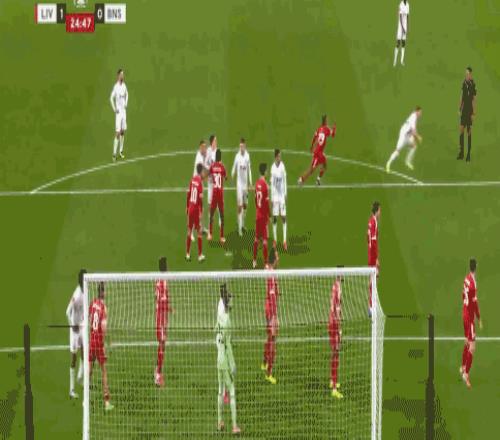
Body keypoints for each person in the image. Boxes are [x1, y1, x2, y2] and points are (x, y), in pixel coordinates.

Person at [216, 283, 241, 434]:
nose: (232, 301)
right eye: (231, 299)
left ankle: (219, 422)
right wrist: (232, 364)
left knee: (220, 390)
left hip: (218, 358)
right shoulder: (227, 322)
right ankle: (234, 426)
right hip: (224, 358)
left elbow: (216, 329)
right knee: (231, 390)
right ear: (228, 303)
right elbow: (228, 346)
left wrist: (223, 291)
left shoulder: (220, 312)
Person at [89, 282, 114, 410]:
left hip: (91, 340)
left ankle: (86, 398)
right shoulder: (104, 307)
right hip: (99, 343)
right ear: (103, 292)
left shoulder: (93, 303)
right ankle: (107, 402)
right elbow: (103, 328)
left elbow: (90, 319)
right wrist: (105, 343)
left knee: (90, 369)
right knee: (104, 371)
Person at [460, 258, 482, 388]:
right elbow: (474, 304)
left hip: (464, 313)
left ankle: (463, 366)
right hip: (469, 318)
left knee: (467, 341)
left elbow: (463, 295)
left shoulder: (466, 279)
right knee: (472, 347)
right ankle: (466, 374)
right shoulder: (473, 284)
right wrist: (478, 318)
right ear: (476, 266)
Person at [298, 115, 336, 186]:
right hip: (318, 153)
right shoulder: (327, 129)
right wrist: (334, 127)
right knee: (312, 169)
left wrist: (312, 146)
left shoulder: (319, 129)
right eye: (327, 120)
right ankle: (301, 179)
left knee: (324, 165)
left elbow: (314, 137)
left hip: (319, 152)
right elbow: (333, 135)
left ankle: (318, 180)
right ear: (325, 121)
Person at [65, 269, 86, 399]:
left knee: (85, 351)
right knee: (74, 358)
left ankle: (80, 377)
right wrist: (72, 325)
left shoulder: (86, 290)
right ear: (81, 281)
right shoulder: (77, 294)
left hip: (81, 327)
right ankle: (71, 389)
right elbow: (67, 311)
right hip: (74, 330)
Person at [385, 106, 422, 172]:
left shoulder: (414, 117)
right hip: (403, 136)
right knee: (397, 151)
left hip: (408, 136)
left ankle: (407, 162)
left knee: (414, 146)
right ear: (416, 111)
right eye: (420, 112)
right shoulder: (413, 118)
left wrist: (414, 137)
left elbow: (412, 130)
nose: (420, 114)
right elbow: (413, 131)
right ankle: (388, 163)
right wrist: (418, 137)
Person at [261, 248, 279, 384]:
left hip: (267, 307)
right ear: (274, 259)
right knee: (273, 339)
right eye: (277, 256)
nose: (279, 258)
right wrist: (274, 317)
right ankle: (269, 372)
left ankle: (264, 362)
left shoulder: (269, 270)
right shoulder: (271, 274)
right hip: (271, 309)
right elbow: (272, 296)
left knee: (269, 337)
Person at [155, 257, 173, 387]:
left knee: (162, 345)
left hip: (161, 316)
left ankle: (157, 369)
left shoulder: (158, 280)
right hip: (161, 318)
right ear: (165, 268)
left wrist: (168, 308)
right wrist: (167, 308)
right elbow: (162, 300)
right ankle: (158, 375)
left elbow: (157, 298)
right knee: (162, 345)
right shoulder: (163, 282)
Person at [231, 139, 252, 236]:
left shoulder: (247, 156)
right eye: (240, 146)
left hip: (245, 185)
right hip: (239, 184)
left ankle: (242, 224)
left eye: (242, 146)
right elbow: (234, 167)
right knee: (239, 206)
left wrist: (250, 182)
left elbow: (249, 170)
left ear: (245, 146)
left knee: (245, 206)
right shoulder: (237, 156)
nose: (241, 148)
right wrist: (232, 175)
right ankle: (239, 229)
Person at [457, 67, 477, 162]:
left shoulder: (473, 84)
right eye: (466, 74)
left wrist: (474, 113)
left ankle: (468, 154)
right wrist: (459, 108)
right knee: (461, 130)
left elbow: (474, 99)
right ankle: (461, 153)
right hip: (464, 110)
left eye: (468, 73)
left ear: (471, 74)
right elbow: (462, 96)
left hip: (470, 111)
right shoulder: (464, 83)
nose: (466, 75)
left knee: (469, 132)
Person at [186, 163, 205, 262]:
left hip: (190, 208)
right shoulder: (200, 183)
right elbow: (200, 199)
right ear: (201, 171)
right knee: (199, 232)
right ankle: (200, 255)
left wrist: (187, 206)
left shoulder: (192, 180)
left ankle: (187, 254)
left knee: (189, 231)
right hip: (196, 210)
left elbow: (188, 194)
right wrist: (201, 210)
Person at [328, 273, 343, 399]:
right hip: (334, 324)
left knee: (335, 353)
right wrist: (339, 328)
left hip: (332, 322)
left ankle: (333, 380)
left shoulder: (335, 286)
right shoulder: (337, 288)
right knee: (336, 352)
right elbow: (336, 308)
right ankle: (334, 388)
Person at [270, 149, 288, 251]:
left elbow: (285, 180)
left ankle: (284, 241)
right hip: (275, 196)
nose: (280, 157)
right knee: (275, 218)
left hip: (281, 196)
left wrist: (285, 193)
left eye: (280, 156)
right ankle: (275, 240)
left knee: (284, 217)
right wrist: (272, 198)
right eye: (279, 156)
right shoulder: (273, 168)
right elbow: (272, 184)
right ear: (276, 157)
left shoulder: (282, 166)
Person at [209, 149, 227, 243]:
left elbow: (209, 175)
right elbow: (226, 177)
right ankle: (222, 236)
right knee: (221, 214)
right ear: (220, 157)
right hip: (220, 193)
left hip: (214, 193)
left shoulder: (212, 166)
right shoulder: (222, 167)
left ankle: (210, 234)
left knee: (211, 213)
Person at [253, 163, 270, 268]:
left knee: (256, 239)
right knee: (264, 241)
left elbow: (255, 199)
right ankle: (265, 263)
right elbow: (267, 204)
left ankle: (254, 261)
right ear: (265, 171)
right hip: (263, 216)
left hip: (257, 214)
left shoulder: (257, 184)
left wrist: (258, 208)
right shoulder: (265, 186)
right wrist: (269, 215)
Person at [110, 68, 128, 161]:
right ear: (118, 76)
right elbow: (111, 98)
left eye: (123, 74)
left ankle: (120, 151)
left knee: (122, 132)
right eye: (121, 74)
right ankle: (114, 154)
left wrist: (126, 103)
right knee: (117, 133)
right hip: (119, 113)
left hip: (124, 112)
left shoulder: (124, 85)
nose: (122, 76)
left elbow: (127, 94)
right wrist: (114, 109)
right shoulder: (116, 87)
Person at [367, 201, 381, 317]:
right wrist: (376, 258)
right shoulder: (374, 222)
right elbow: (373, 241)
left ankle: (371, 305)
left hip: (370, 253)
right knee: (374, 278)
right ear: (376, 211)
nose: (380, 213)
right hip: (372, 255)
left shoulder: (370, 221)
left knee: (373, 278)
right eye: (380, 210)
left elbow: (367, 238)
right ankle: (371, 306)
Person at [393, 1, 410, 67]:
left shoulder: (408, 4)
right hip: (400, 27)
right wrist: (402, 28)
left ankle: (402, 61)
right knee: (398, 43)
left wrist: (407, 26)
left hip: (405, 27)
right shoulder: (401, 4)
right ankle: (395, 61)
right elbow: (400, 17)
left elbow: (407, 16)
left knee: (403, 43)